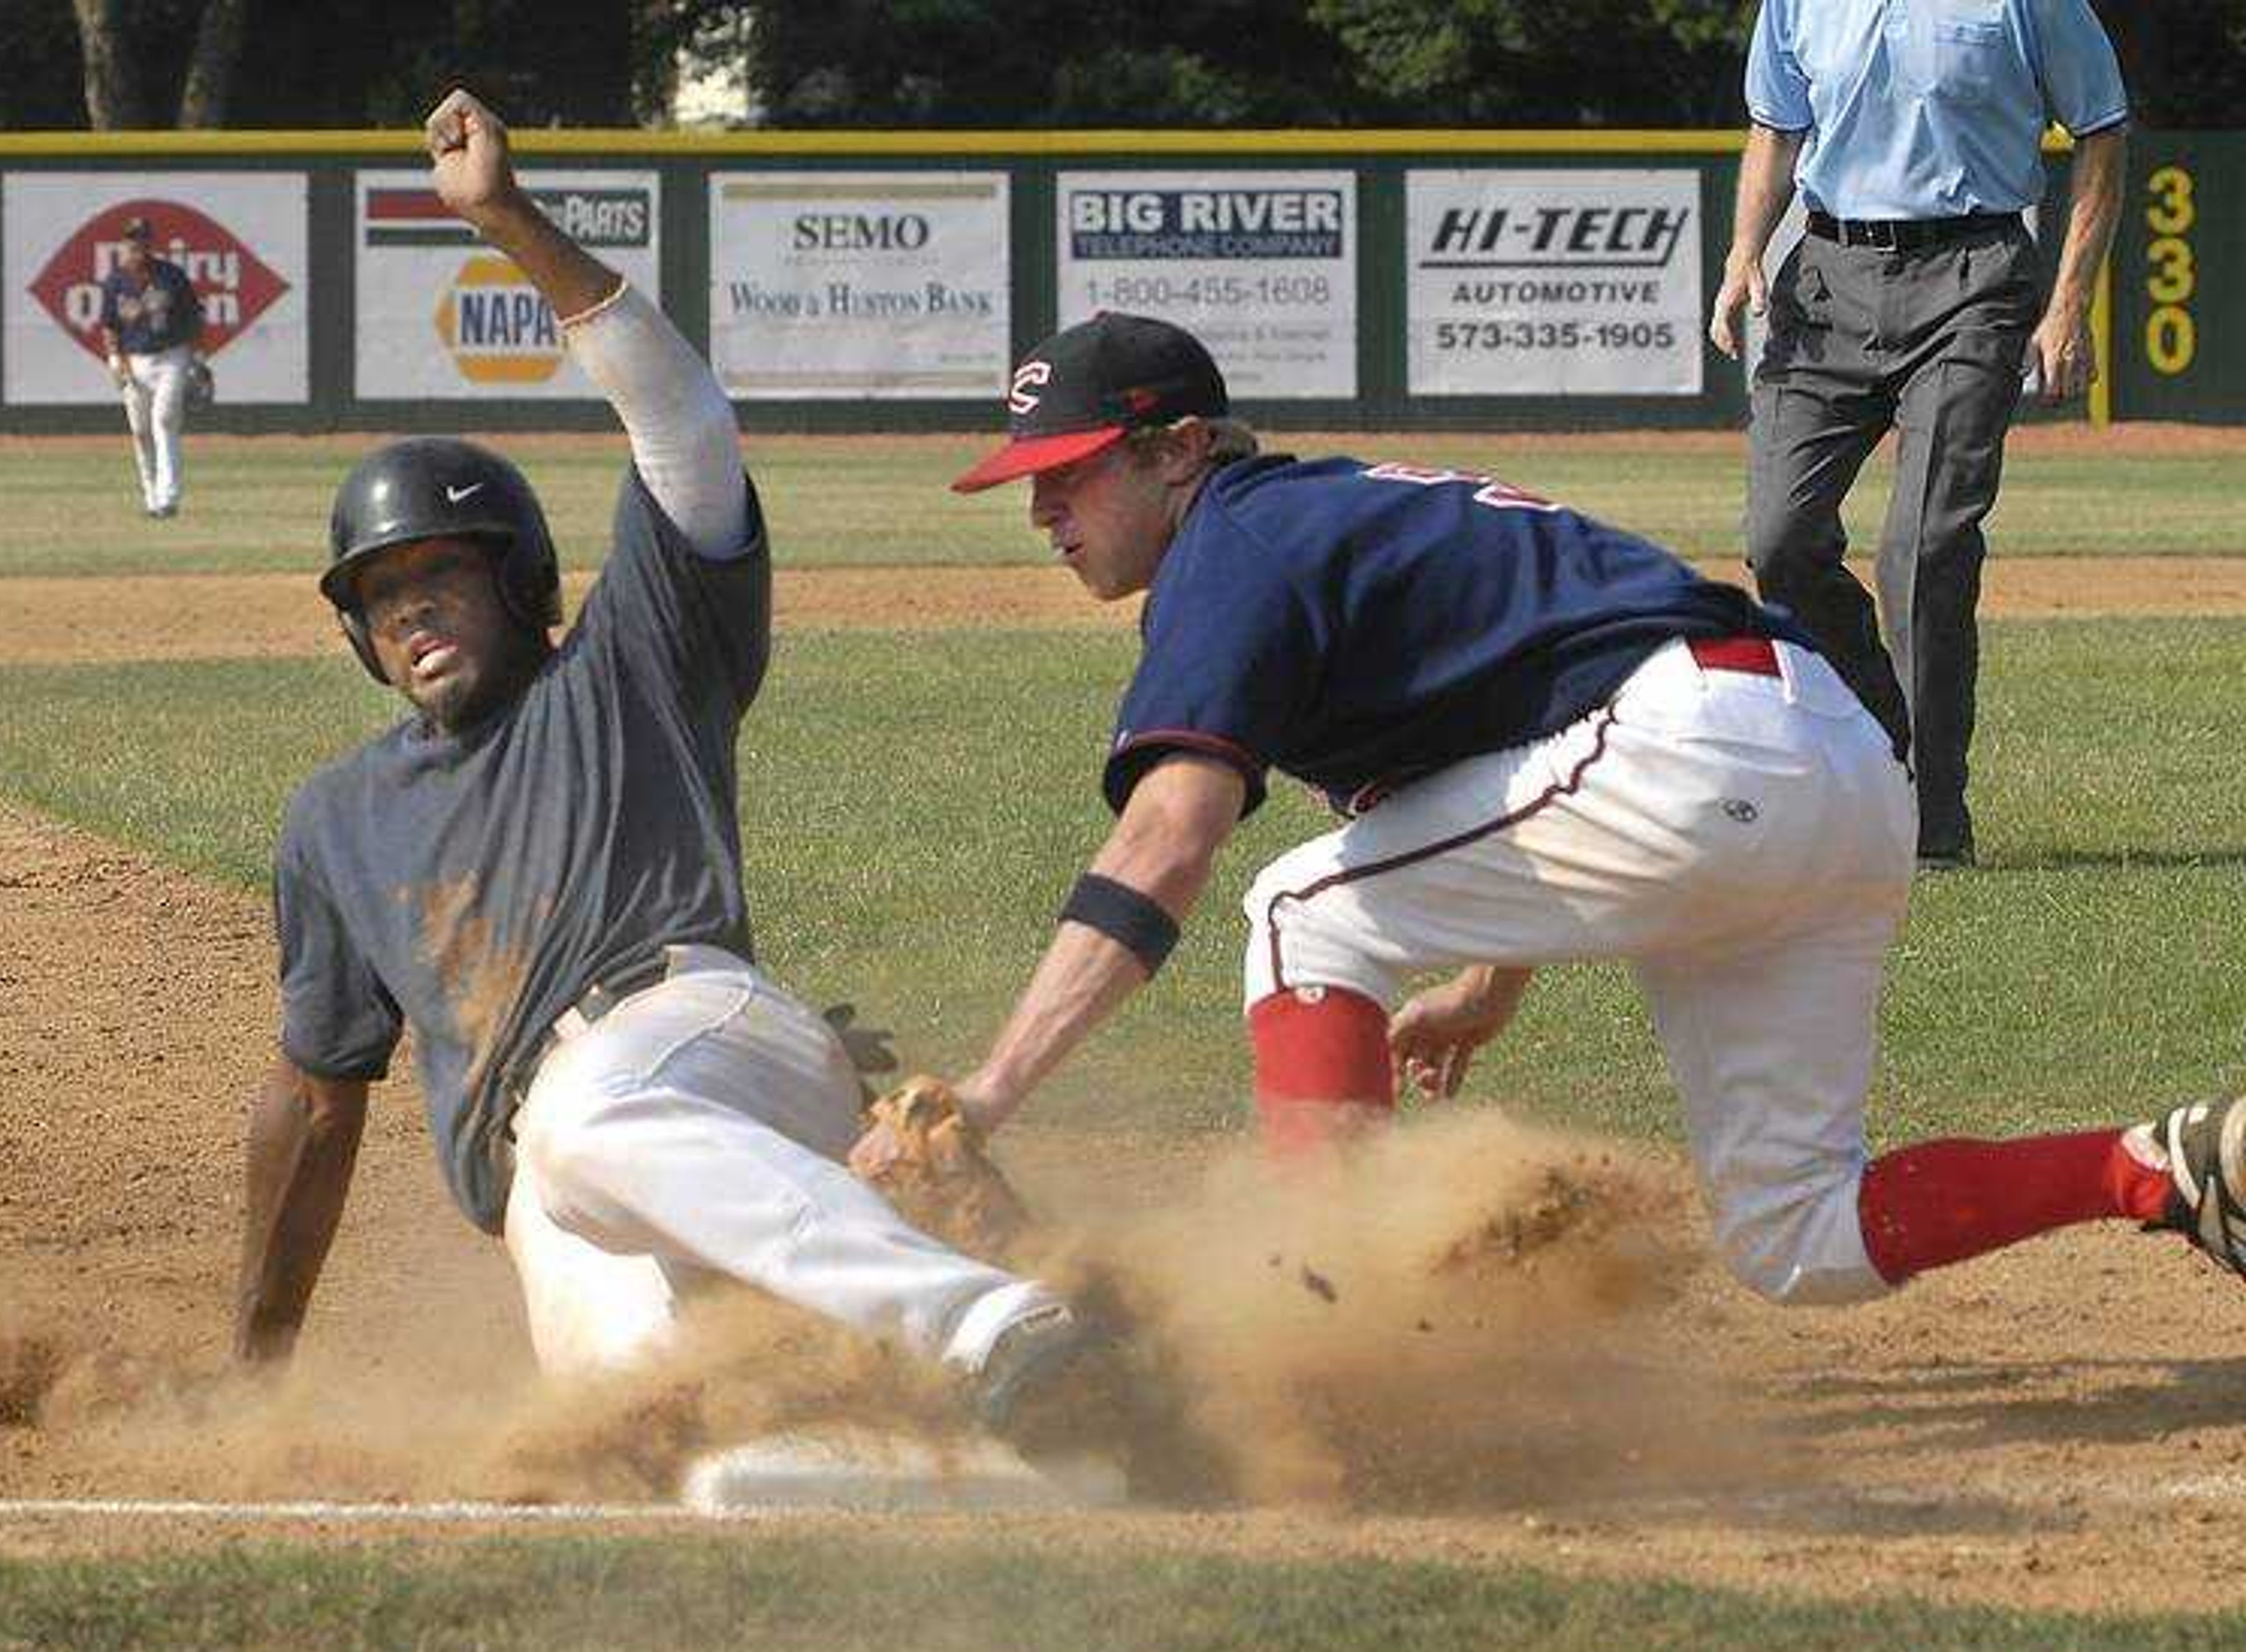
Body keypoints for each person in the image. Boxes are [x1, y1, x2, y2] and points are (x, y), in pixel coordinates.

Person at [898, 309, 2246, 1315]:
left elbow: (1169, 837)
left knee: (1298, 910)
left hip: (1699, 749)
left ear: (1180, 448)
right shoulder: (1321, 519)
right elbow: (1528, 737)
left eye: (1071, 473)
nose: (1042, 511)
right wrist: (1493, 978)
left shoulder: (1236, 548)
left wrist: (993, 1087)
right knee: (1802, 1241)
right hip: (1831, 769)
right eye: (1033, 478)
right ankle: (2152, 1166)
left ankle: (1330, 1318)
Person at [233, 89, 1087, 1439]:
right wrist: (255, 1367)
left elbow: (682, 418)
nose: (411, 607)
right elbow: (315, 1097)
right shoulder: (335, 818)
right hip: (551, 1177)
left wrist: (506, 221)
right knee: (650, 1420)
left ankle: (992, 1316)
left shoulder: (634, 662)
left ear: (517, 582)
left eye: (441, 572)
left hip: (700, 1036)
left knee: (587, 1120)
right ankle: (991, 1423)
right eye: (381, 591)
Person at [1708, 0, 2128, 869]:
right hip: (1825, 276)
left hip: (1974, 277)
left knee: (1927, 544)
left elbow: (2102, 131)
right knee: (1778, 540)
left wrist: (2069, 303)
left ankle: (1931, 819)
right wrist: (1743, 251)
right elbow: (1774, 128)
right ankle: (1881, 730)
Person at [99, 215, 210, 519]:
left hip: (172, 356)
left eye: (143, 239)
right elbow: (109, 327)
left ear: (151, 243)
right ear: (124, 244)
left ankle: (168, 499)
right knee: (141, 432)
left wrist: (198, 358)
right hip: (134, 361)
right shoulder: (115, 282)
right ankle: (151, 497)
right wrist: (114, 360)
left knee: (165, 420)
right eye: (132, 240)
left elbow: (194, 317)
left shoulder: (171, 276)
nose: (138, 245)